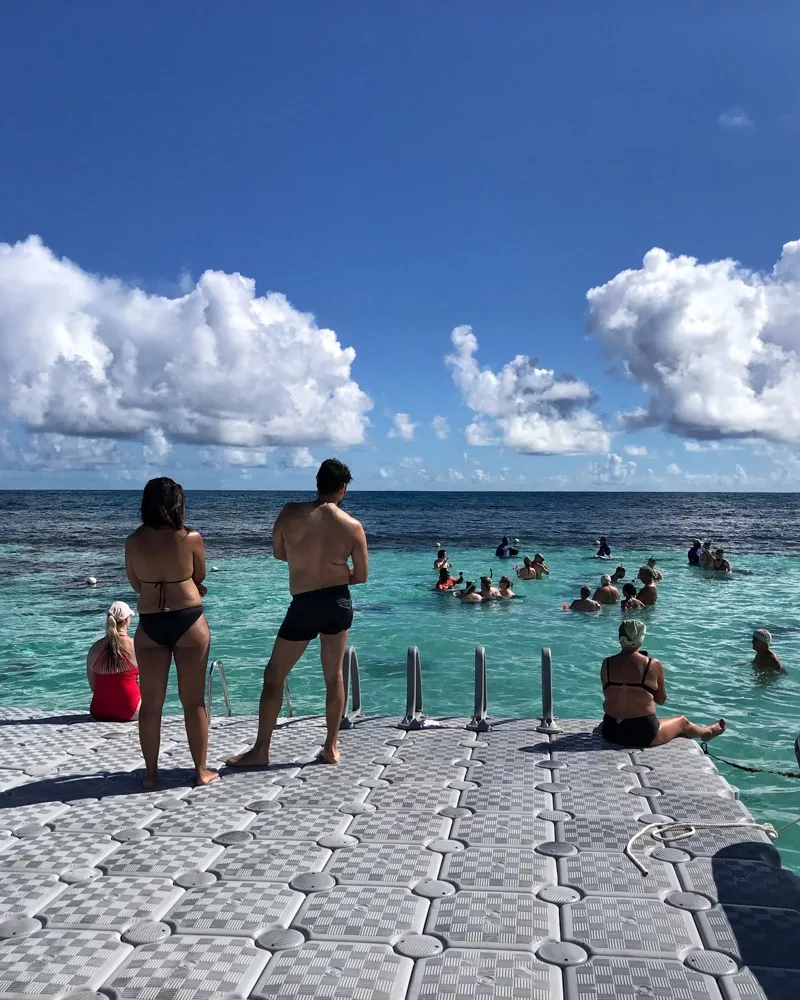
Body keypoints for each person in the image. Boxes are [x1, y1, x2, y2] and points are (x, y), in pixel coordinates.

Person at [227, 459, 368, 768]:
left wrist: (307, 561)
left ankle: (261, 749)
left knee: (274, 675)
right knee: (334, 677)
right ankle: (331, 747)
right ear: (343, 488)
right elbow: (361, 576)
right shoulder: (353, 526)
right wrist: (335, 570)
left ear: (317, 482)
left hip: (304, 604)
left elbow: (279, 553)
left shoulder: (290, 512)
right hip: (337, 603)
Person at [125, 478, 216, 788]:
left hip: (150, 622)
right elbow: (199, 575)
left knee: (151, 705)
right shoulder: (191, 538)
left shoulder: (133, 541)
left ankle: (151, 775)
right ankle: (201, 772)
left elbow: (136, 583)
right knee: (193, 702)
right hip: (189, 619)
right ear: (178, 504)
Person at [600, 619, 726, 747]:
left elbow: (608, 697)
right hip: (643, 734)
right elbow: (661, 700)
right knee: (682, 721)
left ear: (620, 638)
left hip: (611, 730)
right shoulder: (652, 664)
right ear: (641, 638)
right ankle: (707, 732)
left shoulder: (607, 663)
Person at [87, 601, 140, 723]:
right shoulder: (135, 646)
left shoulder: (94, 648)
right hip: (131, 711)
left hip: (99, 710)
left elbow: (93, 686)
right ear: (127, 620)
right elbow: (149, 685)